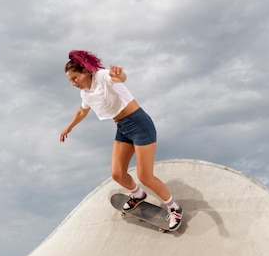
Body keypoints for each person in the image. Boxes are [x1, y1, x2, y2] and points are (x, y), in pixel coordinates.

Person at [59, 50, 183, 230]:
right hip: (122, 127)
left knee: (145, 176)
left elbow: (118, 79)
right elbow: (82, 111)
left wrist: (119, 75)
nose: (73, 83)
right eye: (70, 81)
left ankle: (174, 208)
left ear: (85, 71)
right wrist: (68, 128)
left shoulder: (101, 76)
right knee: (117, 173)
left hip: (140, 124)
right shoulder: (85, 93)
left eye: (74, 78)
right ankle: (138, 194)